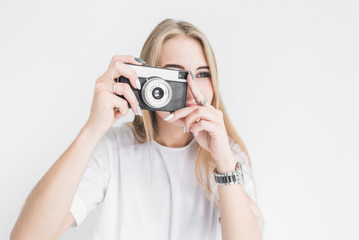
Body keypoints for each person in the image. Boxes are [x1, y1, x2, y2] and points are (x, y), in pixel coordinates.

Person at [11, 19, 264, 240]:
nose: (189, 88)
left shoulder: (228, 157)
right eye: (174, 75)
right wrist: (93, 129)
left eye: (202, 74)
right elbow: (27, 237)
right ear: (146, 79)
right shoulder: (115, 149)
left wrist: (223, 162)